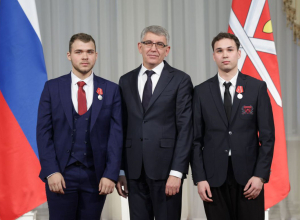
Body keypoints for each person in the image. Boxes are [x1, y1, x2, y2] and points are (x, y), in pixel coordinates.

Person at [36, 33, 123, 220]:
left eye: (89, 52)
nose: (85, 56)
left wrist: (110, 174)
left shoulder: (111, 90)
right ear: (69, 55)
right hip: (60, 175)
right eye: (79, 52)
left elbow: (116, 136)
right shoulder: (52, 88)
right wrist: (51, 171)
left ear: (96, 55)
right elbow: (43, 133)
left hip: (96, 177)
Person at [191, 32, 275, 220]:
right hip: (213, 178)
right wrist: (200, 178)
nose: (225, 55)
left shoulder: (257, 88)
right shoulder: (201, 91)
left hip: (249, 177)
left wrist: (260, 176)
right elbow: (195, 140)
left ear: (239, 53)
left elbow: (268, 137)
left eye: (230, 50)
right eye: (219, 51)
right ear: (213, 56)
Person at [116, 25, 193, 220]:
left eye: (160, 44)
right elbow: (121, 127)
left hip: (167, 171)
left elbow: (185, 129)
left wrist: (177, 172)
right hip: (134, 170)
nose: (153, 48)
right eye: (149, 43)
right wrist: (121, 169)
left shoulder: (180, 80)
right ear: (139, 46)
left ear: (167, 50)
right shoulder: (125, 81)